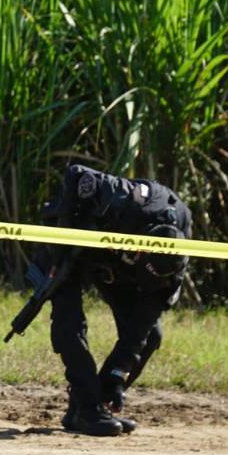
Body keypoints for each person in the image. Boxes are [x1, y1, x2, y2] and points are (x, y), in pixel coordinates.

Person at [41, 164, 192, 436]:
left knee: (151, 336)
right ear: (138, 246)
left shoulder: (177, 256)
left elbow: (145, 319)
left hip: (116, 267)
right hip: (66, 246)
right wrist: (61, 254)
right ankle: (87, 410)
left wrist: (117, 375)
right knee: (70, 323)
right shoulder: (123, 198)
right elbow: (76, 173)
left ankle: (92, 404)